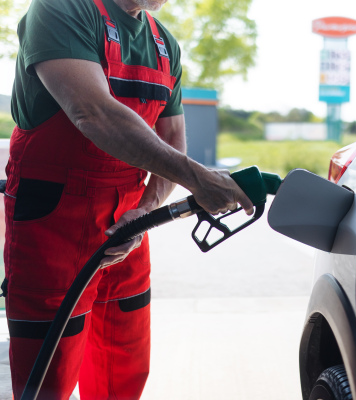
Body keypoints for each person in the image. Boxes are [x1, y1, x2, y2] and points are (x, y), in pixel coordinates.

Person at [4, 0, 253, 398]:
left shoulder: (164, 43)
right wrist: (197, 179)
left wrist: (144, 212)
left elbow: (172, 138)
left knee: (123, 373)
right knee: (47, 380)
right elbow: (92, 112)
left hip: (129, 224)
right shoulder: (60, 9)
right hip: (54, 222)